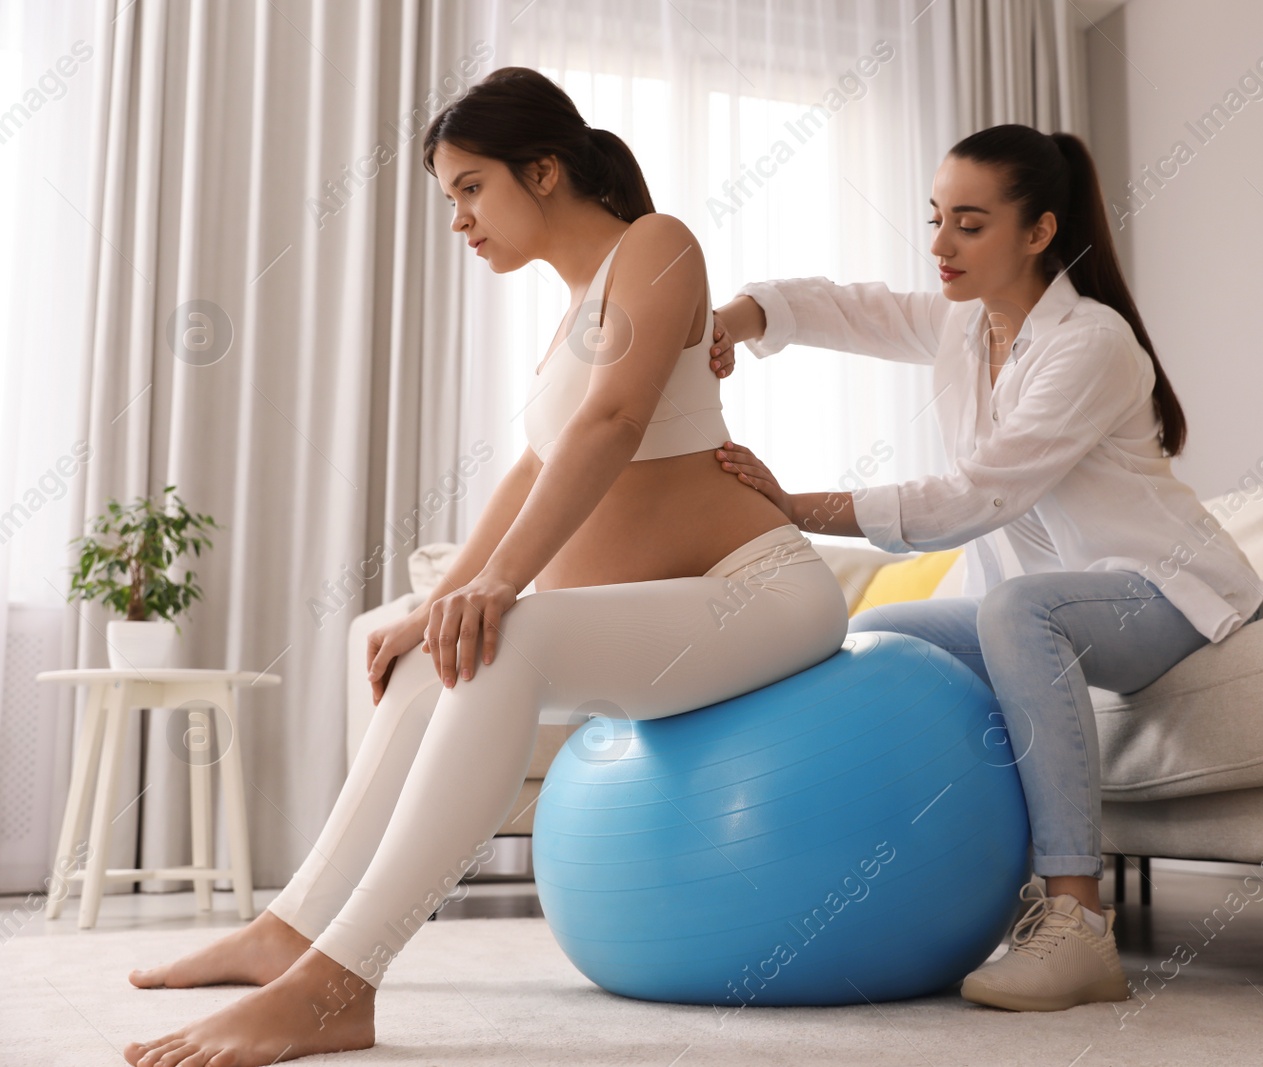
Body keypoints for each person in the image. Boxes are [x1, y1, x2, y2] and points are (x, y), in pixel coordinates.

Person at [121, 67, 847, 1067]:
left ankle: (340, 983)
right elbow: (535, 463)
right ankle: (294, 928)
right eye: (449, 196)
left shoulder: (658, 243)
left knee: (504, 639)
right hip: (682, 612)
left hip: (761, 593)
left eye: (469, 187)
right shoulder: (570, 319)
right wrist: (438, 600)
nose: (458, 218)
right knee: (425, 653)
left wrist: (498, 585)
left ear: (542, 170)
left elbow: (611, 422)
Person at [706, 123, 1263, 1014]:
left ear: (1039, 231)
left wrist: (796, 507)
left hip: (1173, 593)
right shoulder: (963, 327)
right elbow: (837, 304)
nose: (939, 244)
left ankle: (1077, 920)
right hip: (1059, 603)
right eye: (935, 217)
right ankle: (971, 886)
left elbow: (978, 495)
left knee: (1014, 610)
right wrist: (732, 322)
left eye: (968, 224)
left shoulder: (1090, 341)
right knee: (874, 634)